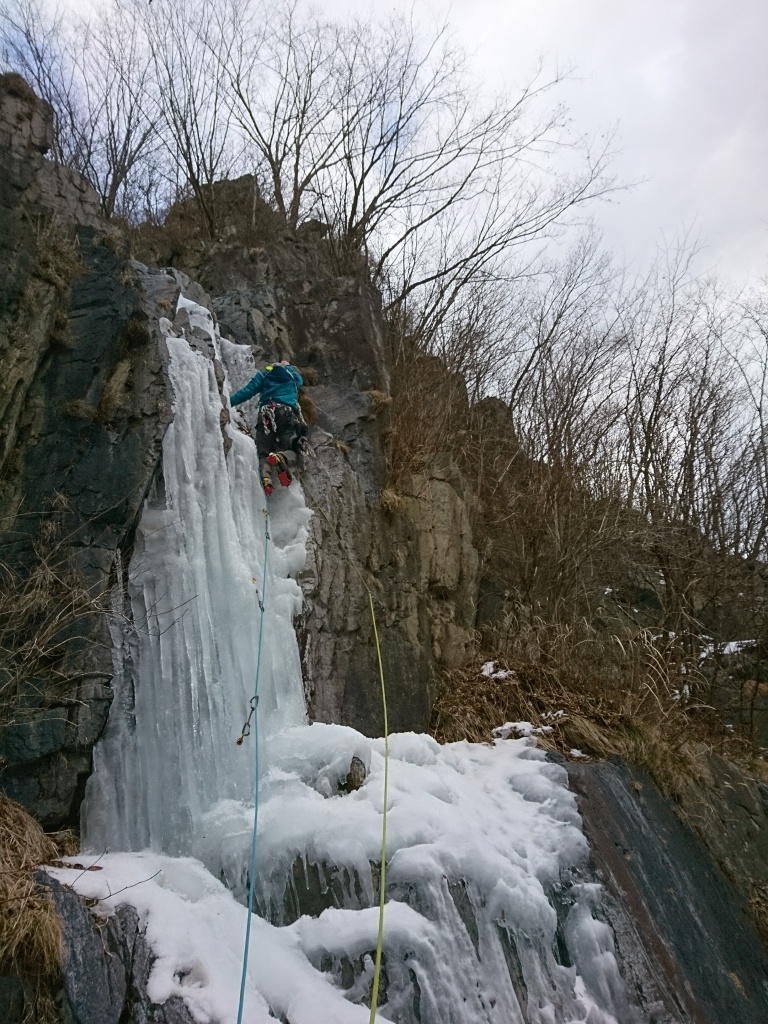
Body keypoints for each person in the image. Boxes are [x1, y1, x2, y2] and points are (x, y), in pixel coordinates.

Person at [229, 360, 308, 495]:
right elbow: (300, 382)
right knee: (292, 449)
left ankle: (266, 478)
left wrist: (227, 402)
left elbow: (247, 391)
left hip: (265, 414)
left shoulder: (264, 374)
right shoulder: (292, 374)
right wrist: (287, 366)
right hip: (286, 413)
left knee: (263, 452)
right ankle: (280, 458)